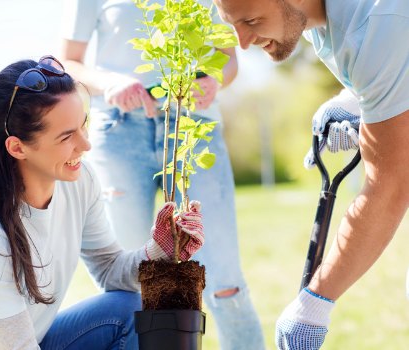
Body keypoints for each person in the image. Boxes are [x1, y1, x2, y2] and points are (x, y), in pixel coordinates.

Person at [0, 57, 204, 349]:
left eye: (83, 126)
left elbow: (110, 270)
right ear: (18, 147)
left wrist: (162, 250)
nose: (86, 145)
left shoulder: (80, 181)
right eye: (66, 137)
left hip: (29, 342)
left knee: (130, 309)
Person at [59, 1, 265, 348]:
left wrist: (213, 80)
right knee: (129, 285)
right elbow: (67, 62)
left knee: (225, 282)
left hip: (193, 129)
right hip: (120, 131)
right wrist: (109, 81)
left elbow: (228, 60)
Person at [211, 0, 409, 348]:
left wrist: (315, 304)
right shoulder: (322, 27)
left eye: (252, 20)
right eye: (234, 25)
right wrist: (353, 102)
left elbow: (391, 186)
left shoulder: (377, 24)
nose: (241, 42)